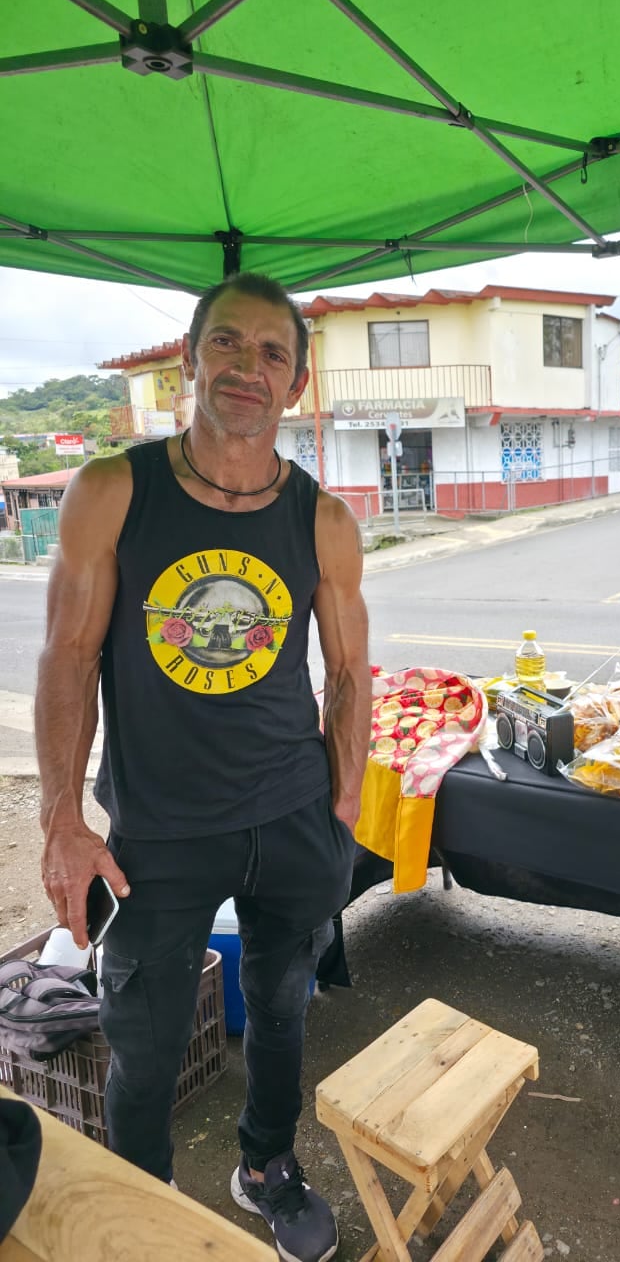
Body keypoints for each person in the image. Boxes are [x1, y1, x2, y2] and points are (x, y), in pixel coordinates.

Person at [35, 272, 372, 1262]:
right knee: (140, 1039)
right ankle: (144, 1204)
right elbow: (68, 657)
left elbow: (350, 672)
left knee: (279, 1008)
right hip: (160, 830)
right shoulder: (113, 491)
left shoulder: (323, 519)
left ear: (298, 385)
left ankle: (267, 1161)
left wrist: (343, 803)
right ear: (189, 359)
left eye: (273, 353)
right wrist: (63, 817)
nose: (247, 368)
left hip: (292, 818)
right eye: (228, 344)